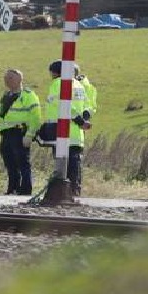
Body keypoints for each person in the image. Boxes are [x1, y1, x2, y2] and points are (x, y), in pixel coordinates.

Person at [0, 69, 42, 195]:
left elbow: (36, 117)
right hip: (6, 133)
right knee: (10, 163)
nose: (7, 80)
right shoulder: (6, 96)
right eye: (6, 78)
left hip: (19, 132)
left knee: (22, 163)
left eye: (10, 78)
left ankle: (25, 190)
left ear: (19, 79)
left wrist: (29, 135)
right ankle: (12, 189)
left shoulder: (28, 95)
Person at [45, 60, 91, 196]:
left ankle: (64, 195)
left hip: (62, 132)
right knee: (75, 166)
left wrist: (78, 120)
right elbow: (85, 106)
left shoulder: (58, 83)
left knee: (62, 168)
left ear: (56, 73)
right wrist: (83, 120)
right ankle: (75, 192)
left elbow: (62, 105)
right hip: (77, 134)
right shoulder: (79, 85)